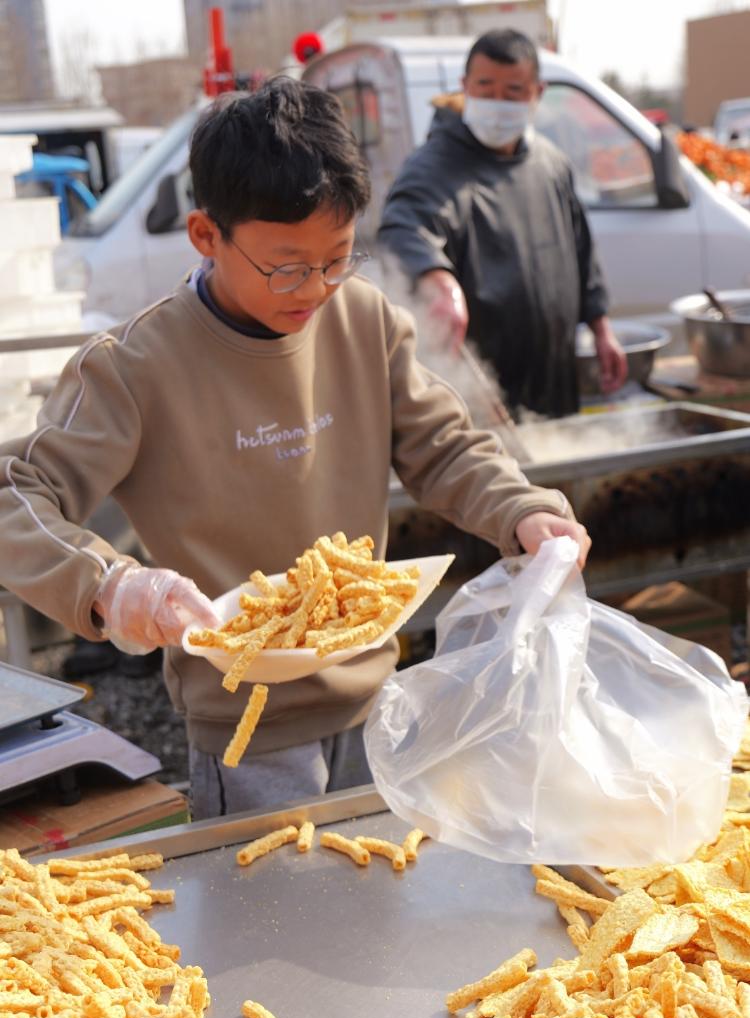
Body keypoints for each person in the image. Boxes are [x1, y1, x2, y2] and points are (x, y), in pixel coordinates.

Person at [0, 78, 590, 820]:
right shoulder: (133, 365)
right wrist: (112, 584)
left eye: (337, 258)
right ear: (207, 236)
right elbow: (14, 494)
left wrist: (523, 510)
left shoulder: (362, 319)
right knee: (273, 928)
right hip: (248, 732)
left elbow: (443, 445)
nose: (314, 288)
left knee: (387, 907)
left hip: (379, 704)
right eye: (286, 265)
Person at [377, 28, 627, 419]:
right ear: (464, 86)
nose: (497, 102)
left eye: (513, 91)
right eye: (485, 87)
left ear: (537, 93)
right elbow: (403, 228)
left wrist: (601, 328)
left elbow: (582, 251)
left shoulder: (550, 164)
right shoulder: (433, 168)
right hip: (479, 395)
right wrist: (437, 280)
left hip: (554, 380)